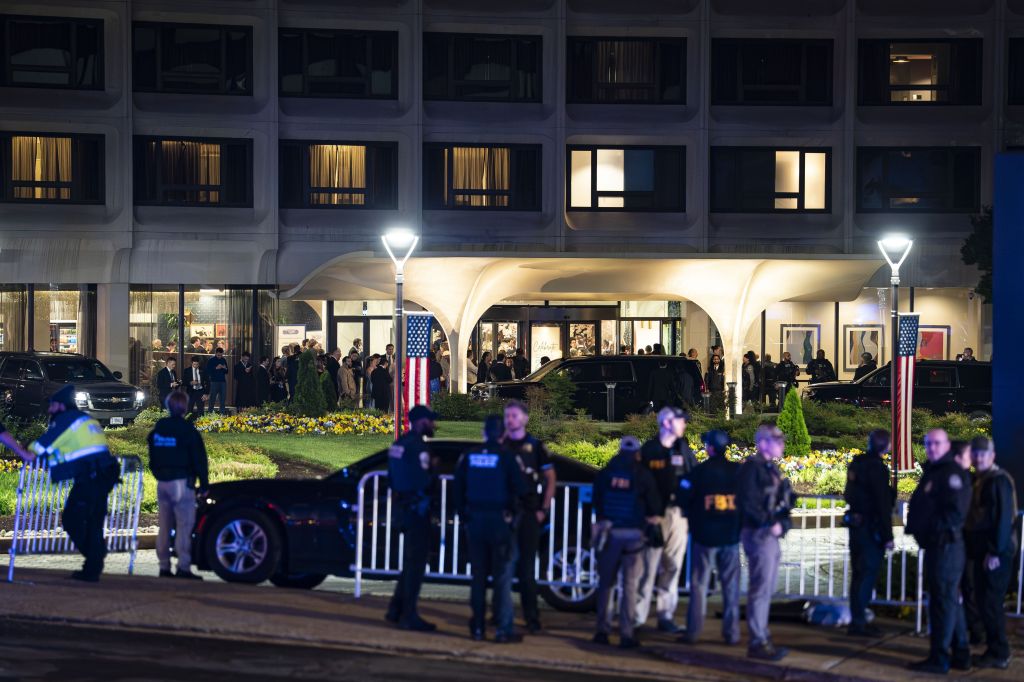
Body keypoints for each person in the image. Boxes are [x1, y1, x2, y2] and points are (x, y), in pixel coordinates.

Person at [25, 385, 119, 581]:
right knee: (93, 521)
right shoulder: (84, 418)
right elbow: (71, 449)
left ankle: (95, 556)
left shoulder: (66, 419)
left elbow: (41, 446)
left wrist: (25, 449)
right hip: (103, 473)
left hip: (92, 476)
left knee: (71, 519)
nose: (49, 410)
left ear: (60, 405)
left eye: (52, 405)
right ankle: (92, 569)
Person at [453, 415, 528, 643]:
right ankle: (503, 630)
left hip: (475, 521)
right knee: (502, 577)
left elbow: (458, 489)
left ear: (484, 433)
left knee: (478, 577)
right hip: (499, 522)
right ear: (503, 434)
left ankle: (477, 628)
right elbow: (521, 488)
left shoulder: (469, 456)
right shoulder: (507, 457)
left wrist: (465, 516)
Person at [905, 429, 973, 674]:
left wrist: (928, 529)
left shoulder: (951, 473)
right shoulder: (937, 470)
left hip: (945, 547)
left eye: (936, 443)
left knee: (942, 603)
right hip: (939, 546)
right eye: (928, 443)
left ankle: (940, 658)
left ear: (946, 445)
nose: (931, 447)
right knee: (949, 601)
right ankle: (961, 654)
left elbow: (955, 513)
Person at [591, 436, 661, 649]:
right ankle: (626, 634)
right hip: (634, 536)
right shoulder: (642, 474)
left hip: (609, 534)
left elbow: (597, 500)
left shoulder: (606, 473)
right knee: (629, 586)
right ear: (637, 453)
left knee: (606, 584)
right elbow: (654, 505)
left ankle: (602, 631)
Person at [636, 407, 696, 633]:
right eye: (681, 421)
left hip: (677, 514)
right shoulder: (649, 450)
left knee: (672, 567)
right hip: (653, 516)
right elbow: (638, 482)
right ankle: (637, 618)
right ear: (667, 423)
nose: (685, 425)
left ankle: (665, 616)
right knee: (647, 568)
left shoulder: (683, 449)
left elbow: (694, 476)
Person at [678, 430, 741, 646]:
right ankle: (732, 634)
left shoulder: (698, 472)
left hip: (704, 537)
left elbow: (683, 497)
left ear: (710, 448)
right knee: (731, 588)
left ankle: (693, 632)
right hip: (730, 538)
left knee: (699, 587)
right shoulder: (737, 472)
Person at [737, 425, 793, 661]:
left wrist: (782, 518)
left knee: (765, 589)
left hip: (767, 533)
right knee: (760, 589)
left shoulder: (769, 467)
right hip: (759, 534)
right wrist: (770, 524)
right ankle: (757, 641)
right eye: (775, 440)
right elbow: (748, 503)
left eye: (781, 439)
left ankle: (761, 637)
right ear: (762, 443)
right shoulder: (752, 468)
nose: (781, 444)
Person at [963, 436, 1017, 669]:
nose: (979, 457)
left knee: (991, 603)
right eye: (975, 453)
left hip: (996, 554)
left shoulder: (998, 480)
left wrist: (995, 551)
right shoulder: (981, 479)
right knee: (986, 602)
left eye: (983, 453)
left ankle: (999, 652)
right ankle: (995, 649)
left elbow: (1003, 519)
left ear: (992, 456)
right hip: (985, 551)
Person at [385, 405, 439, 631]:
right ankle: (409, 615)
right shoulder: (418, 447)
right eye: (430, 421)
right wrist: (433, 470)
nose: (434, 425)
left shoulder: (399, 444)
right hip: (417, 510)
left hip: (402, 509)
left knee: (409, 563)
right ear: (421, 422)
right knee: (415, 565)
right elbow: (423, 481)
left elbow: (392, 476)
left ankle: (395, 609)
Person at [504, 400, 556, 634]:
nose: (510, 420)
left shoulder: (535, 447)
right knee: (503, 569)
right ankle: (501, 615)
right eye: (507, 416)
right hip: (505, 513)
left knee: (526, 570)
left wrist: (543, 508)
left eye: (514, 416)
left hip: (528, 513)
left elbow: (550, 478)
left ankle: (531, 617)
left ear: (525, 419)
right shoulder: (501, 444)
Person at [147, 390, 209, 580]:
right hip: (182, 482)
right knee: (184, 526)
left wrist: (158, 473)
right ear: (184, 407)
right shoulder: (188, 430)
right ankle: (183, 567)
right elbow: (199, 459)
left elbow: (152, 457)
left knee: (164, 526)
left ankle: (164, 567)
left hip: (163, 483)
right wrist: (204, 484)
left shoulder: (158, 430)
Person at [844, 429, 895, 637]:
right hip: (870, 528)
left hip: (856, 526)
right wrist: (888, 536)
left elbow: (849, 494)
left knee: (858, 575)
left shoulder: (857, 463)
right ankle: (858, 623)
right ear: (886, 446)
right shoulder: (877, 468)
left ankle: (858, 618)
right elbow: (882, 505)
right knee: (866, 575)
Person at [205, 348, 229, 414]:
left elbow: (227, 371)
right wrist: (216, 368)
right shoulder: (211, 360)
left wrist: (224, 368)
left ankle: (222, 414)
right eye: (218, 355)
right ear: (215, 353)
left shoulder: (223, 360)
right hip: (214, 381)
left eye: (221, 355)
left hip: (223, 381)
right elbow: (208, 371)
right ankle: (210, 413)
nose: (219, 356)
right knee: (212, 398)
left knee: (223, 398)